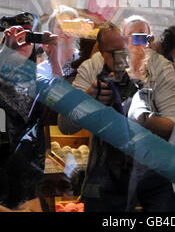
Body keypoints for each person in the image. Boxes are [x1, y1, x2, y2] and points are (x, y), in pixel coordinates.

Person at [57, 21, 140, 212]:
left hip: (136, 182)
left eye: (123, 49)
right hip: (102, 182)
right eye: (113, 52)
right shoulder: (91, 72)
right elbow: (65, 125)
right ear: (101, 54)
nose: (120, 57)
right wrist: (89, 99)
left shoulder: (141, 76)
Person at [122, 15, 175, 211]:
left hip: (165, 176)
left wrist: (144, 118)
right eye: (134, 36)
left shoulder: (174, 82)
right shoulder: (120, 76)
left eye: (145, 37)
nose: (140, 43)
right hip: (129, 170)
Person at [0, 12, 57, 211]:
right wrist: (6, 53)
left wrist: (57, 55)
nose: (23, 44)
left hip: (31, 185)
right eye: (18, 38)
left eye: (28, 38)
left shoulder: (38, 79)